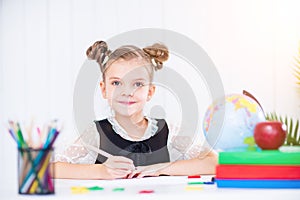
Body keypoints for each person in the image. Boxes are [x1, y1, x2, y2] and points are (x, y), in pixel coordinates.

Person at [51, 40, 218, 180]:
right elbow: (52, 168)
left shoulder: (169, 132)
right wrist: (101, 171)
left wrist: (161, 168)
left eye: (137, 84)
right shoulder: (96, 133)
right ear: (104, 89)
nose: (127, 92)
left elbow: (214, 163)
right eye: (116, 83)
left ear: (150, 92)